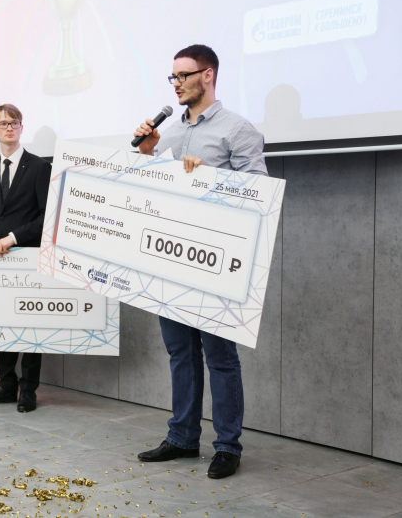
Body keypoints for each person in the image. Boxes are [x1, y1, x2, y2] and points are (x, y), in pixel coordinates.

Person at [133, 45, 267, 480]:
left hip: (214, 262)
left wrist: (209, 177)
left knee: (220, 356)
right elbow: (156, 191)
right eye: (172, 77)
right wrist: (147, 154)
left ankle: (227, 446)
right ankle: (182, 438)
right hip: (171, 258)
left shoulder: (238, 130)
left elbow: (259, 193)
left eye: (183, 76)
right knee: (180, 353)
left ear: (207, 75)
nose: (176, 84)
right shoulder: (169, 133)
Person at [0, 104, 51, 413]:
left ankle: (28, 390)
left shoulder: (39, 167)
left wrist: (13, 237)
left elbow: (46, 217)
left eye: (13, 123)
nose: (8, 128)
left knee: (30, 326)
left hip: (27, 258)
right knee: (1, 322)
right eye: (2, 124)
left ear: (21, 127)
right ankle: (5, 385)